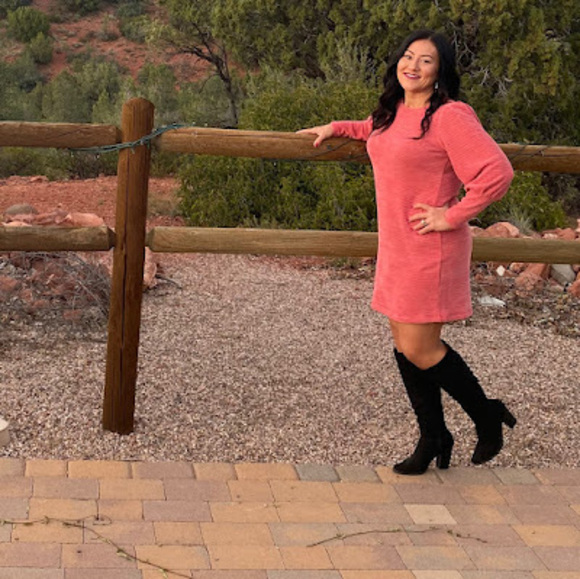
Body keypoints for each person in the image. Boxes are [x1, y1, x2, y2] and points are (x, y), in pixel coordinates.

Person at [298, 29, 516, 475]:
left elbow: (497, 173)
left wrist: (451, 215)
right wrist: (337, 127)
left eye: (426, 60)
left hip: (431, 247)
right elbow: (375, 132)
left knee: (421, 347)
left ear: (440, 72)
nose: (413, 66)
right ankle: (433, 437)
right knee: (404, 343)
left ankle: (487, 416)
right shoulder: (394, 111)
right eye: (408, 56)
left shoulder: (450, 116)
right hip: (397, 245)